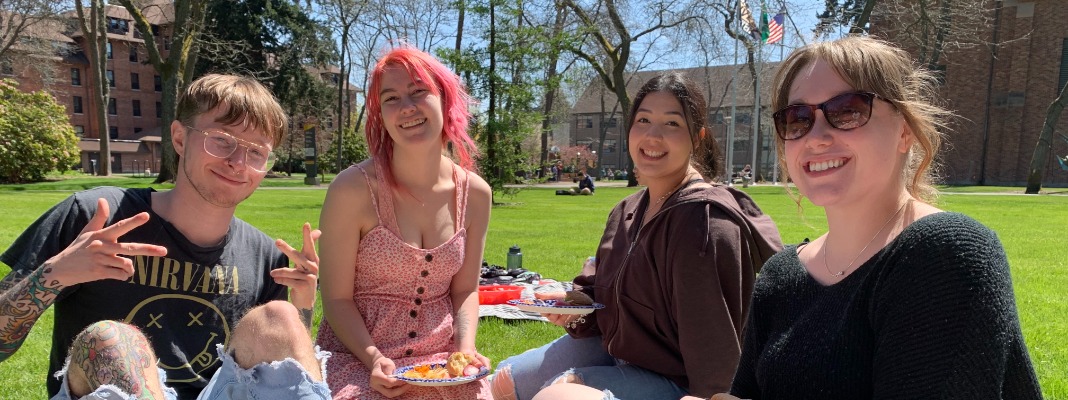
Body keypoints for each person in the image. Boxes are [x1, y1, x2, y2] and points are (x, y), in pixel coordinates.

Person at [719, 37, 1042, 399]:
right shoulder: (780, 276)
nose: (817, 137)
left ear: (905, 130)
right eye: (798, 119)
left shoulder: (946, 255)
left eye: (848, 110)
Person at [0, 74, 330, 399]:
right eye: (221, 139)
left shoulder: (264, 256)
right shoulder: (95, 216)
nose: (238, 163)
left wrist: (303, 305)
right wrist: (55, 273)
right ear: (180, 138)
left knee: (280, 317)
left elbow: (280, 376)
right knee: (113, 340)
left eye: (256, 152)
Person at [491, 73, 784, 400]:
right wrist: (572, 303)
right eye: (643, 120)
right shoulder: (626, 210)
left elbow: (715, 346)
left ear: (697, 138)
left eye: (672, 124)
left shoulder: (702, 221)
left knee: (557, 396)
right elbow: (600, 289)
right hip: (619, 350)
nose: (653, 135)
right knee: (503, 381)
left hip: (678, 379)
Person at [314, 46, 493, 399]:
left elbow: (466, 290)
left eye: (418, 91)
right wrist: (374, 359)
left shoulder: (476, 194)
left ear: (444, 98)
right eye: (391, 98)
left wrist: (466, 348)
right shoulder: (352, 189)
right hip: (357, 358)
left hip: (442, 362)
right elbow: (336, 298)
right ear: (380, 115)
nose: (407, 107)